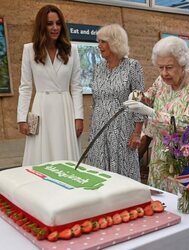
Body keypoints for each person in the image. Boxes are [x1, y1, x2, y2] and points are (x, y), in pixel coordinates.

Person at [124, 36, 189, 192]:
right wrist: (137, 96)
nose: (164, 73)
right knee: (160, 203)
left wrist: (149, 112)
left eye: (169, 67)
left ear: (183, 64)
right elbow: (149, 97)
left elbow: (186, 124)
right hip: (160, 155)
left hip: (186, 156)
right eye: (160, 67)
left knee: (186, 206)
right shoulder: (161, 80)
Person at [17, 5, 84, 166]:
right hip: (42, 107)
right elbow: (25, 87)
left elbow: (76, 87)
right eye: (49, 23)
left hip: (65, 108)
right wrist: (21, 118)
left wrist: (79, 117)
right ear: (42, 26)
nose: (55, 28)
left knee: (65, 154)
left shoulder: (71, 50)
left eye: (58, 23)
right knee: (41, 156)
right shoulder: (29, 50)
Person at [86, 24, 145, 181]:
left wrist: (137, 133)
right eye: (99, 42)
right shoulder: (98, 68)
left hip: (122, 130)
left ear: (115, 42)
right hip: (99, 128)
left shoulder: (133, 66)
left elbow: (139, 101)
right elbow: (95, 100)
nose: (99, 46)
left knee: (122, 175)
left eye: (103, 42)